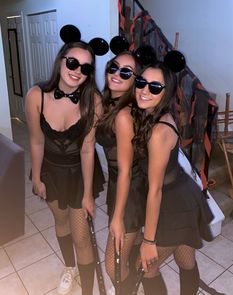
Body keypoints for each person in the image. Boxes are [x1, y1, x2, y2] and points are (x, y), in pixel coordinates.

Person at [25, 27, 106, 295]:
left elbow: (87, 148)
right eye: (72, 62)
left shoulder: (93, 100)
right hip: (51, 171)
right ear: (61, 60)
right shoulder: (35, 96)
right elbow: (36, 141)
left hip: (79, 173)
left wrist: (86, 194)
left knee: (81, 236)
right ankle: (69, 268)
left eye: (85, 67)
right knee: (60, 223)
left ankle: (87, 292)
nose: (77, 70)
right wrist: (36, 177)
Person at [131, 61, 214, 295]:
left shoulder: (158, 131)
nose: (145, 90)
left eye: (155, 87)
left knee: (145, 266)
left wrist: (148, 241)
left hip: (174, 202)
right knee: (185, 260)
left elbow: (155, 190)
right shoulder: (157, 114)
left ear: (165, 93)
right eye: (141, 82)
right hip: (182, 193)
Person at [96, 49, 147, 294]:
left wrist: (117, 217)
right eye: (113, 66)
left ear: (134, 80)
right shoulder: (110, 103)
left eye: (125, 71)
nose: (116, 73)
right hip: (120, 185)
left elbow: (126, 170)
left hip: (131, 190)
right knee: (128, 252)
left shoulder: (125, 115)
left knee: (111, 264)